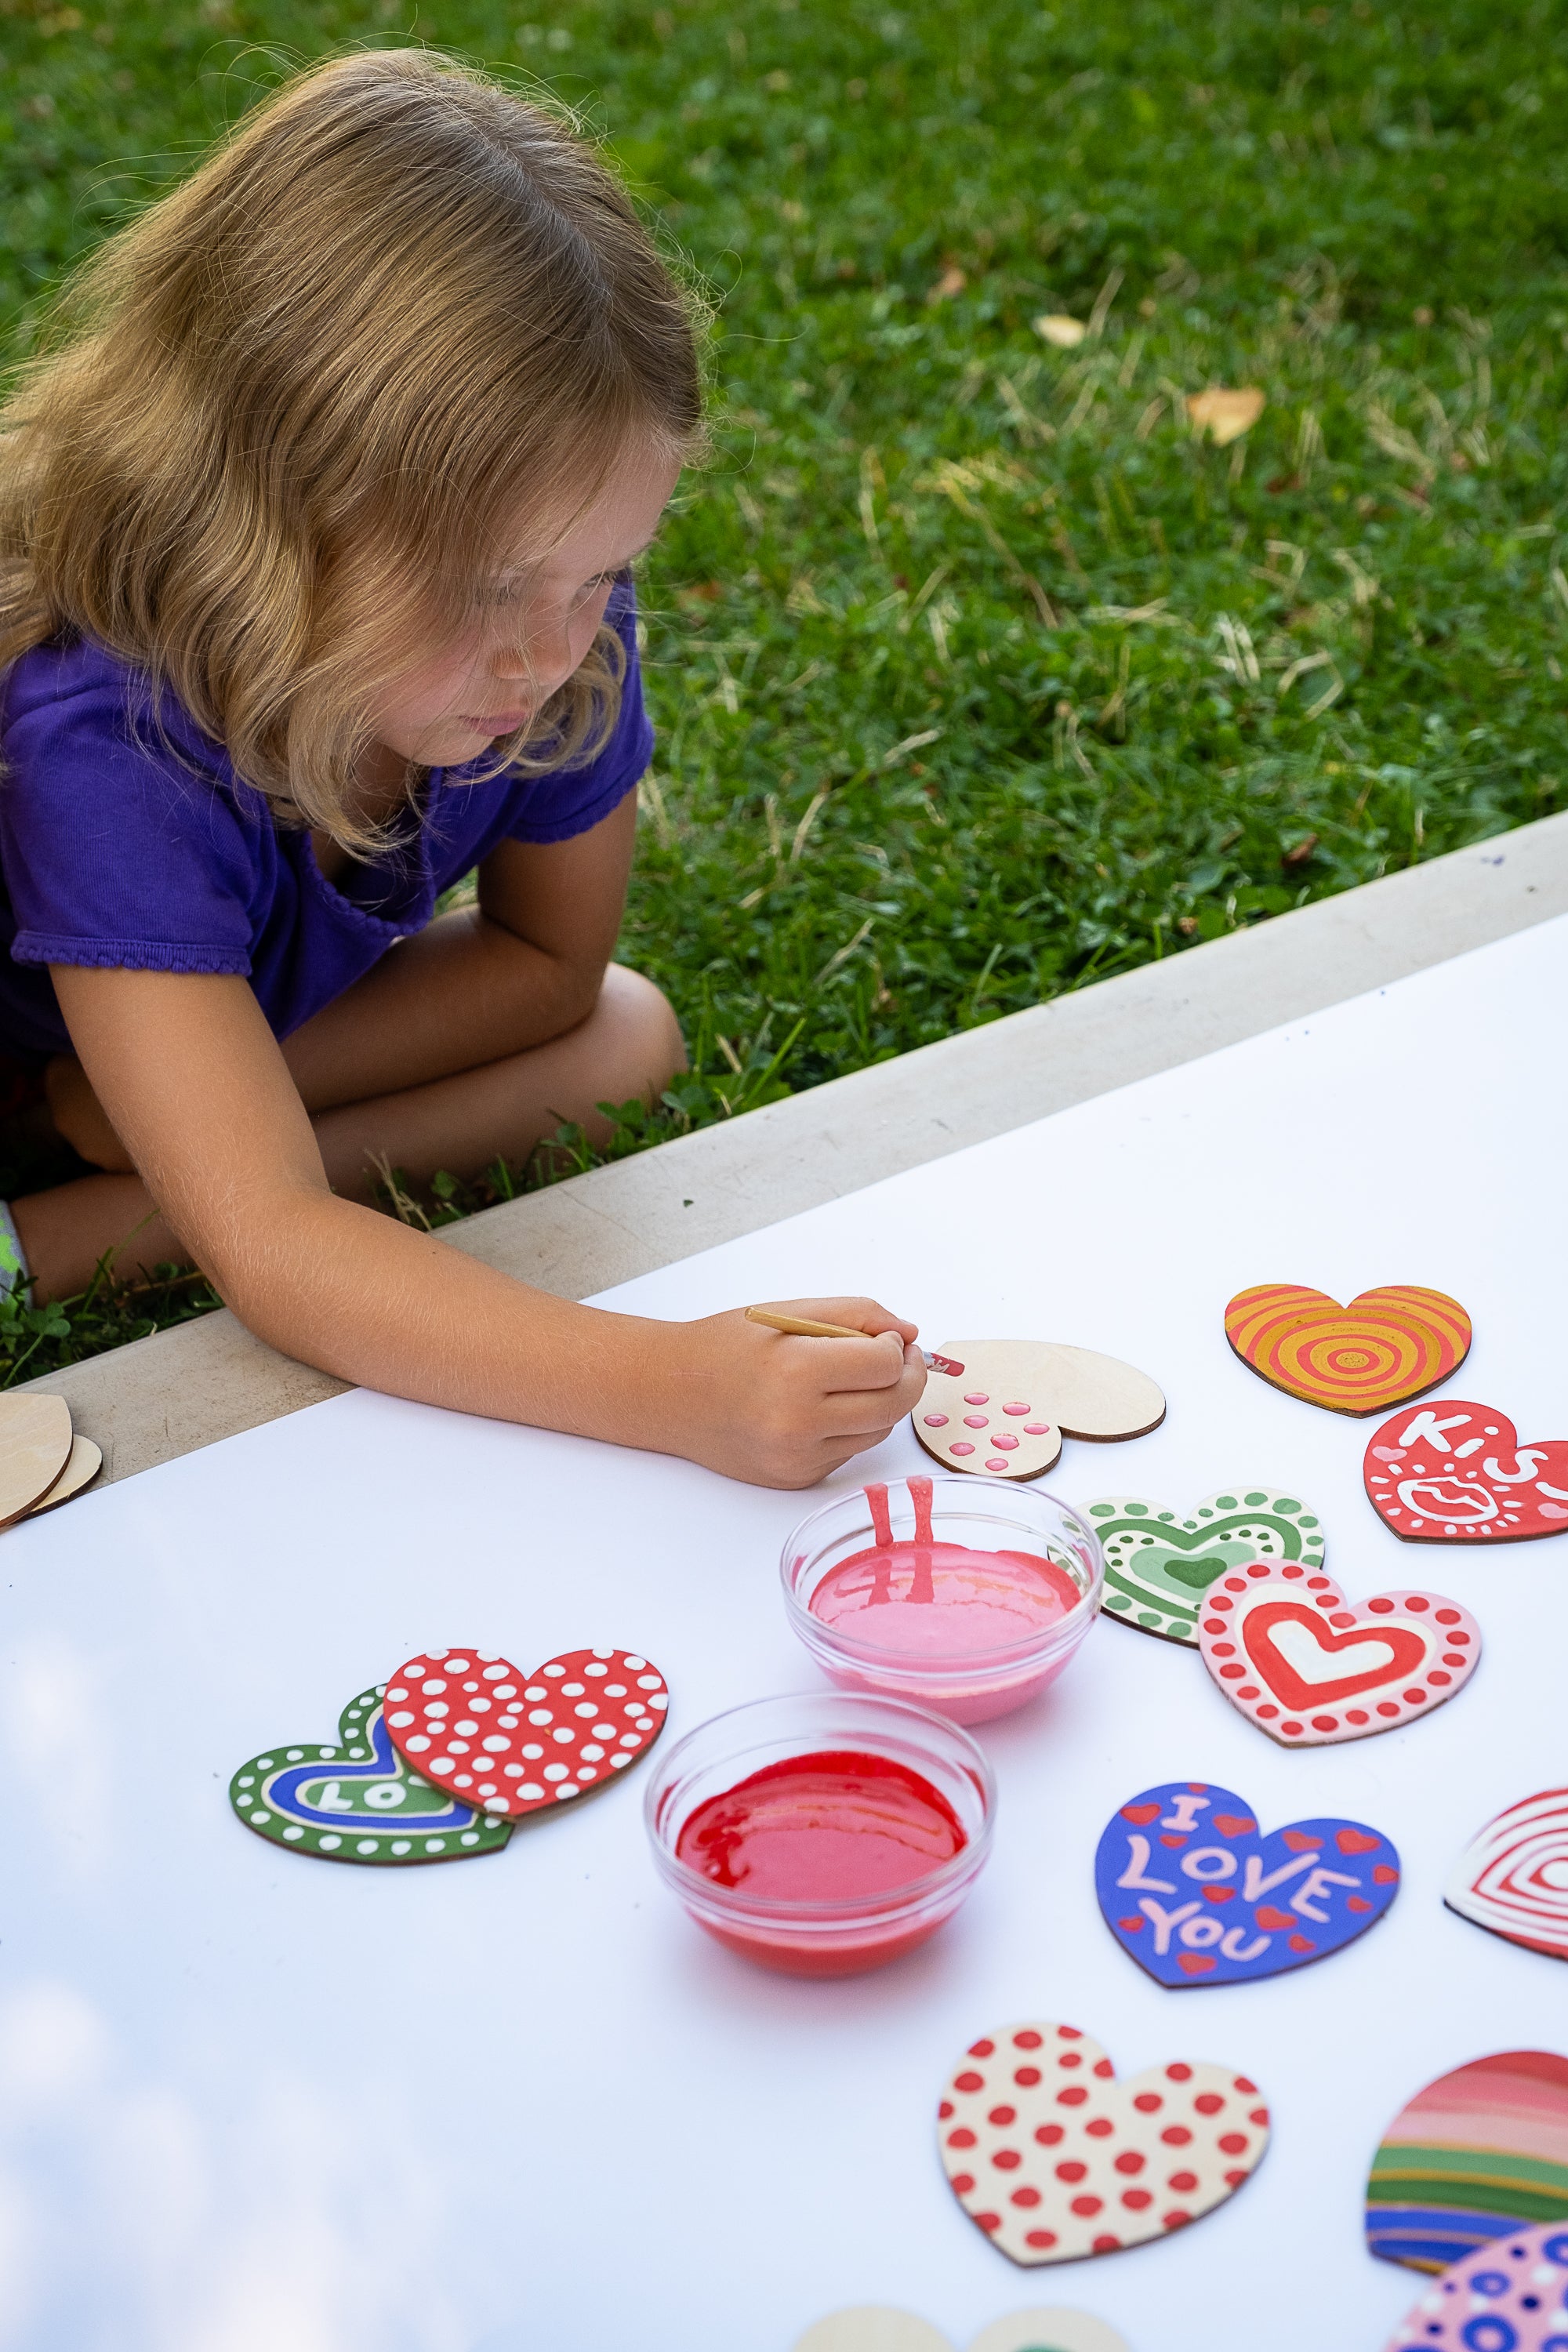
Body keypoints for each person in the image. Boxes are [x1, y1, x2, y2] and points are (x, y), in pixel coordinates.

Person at [0, 50, 924, 1486]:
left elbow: (554, 969)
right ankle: (36, 1241)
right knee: (253, 1191)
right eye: (494, 589)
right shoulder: (107, 734)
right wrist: (667, 1383)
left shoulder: (556, 629)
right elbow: (281, 1264)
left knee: (627, 1037)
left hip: (146, 1062)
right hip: (33, 1060)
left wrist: (161, 1106)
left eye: (605, 570)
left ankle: (150, 1129)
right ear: (268, 515)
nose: (554, 652)